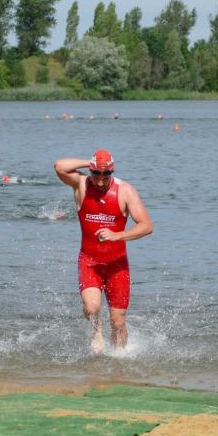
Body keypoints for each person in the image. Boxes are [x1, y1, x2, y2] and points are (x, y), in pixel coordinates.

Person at [54, 150, 153, 353]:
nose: (100, 181)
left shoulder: (125, 191)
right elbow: (59, 166)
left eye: (105, 175)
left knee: (118, 322)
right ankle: (96, 331)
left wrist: (118, 235)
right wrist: (92, 163)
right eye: (96, 174)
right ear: (90, 171)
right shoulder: (81, 185)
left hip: (117, 264)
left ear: (112, 172)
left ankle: (119, 357)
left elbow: (146, 226)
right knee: (91, 307)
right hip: (90, 261)